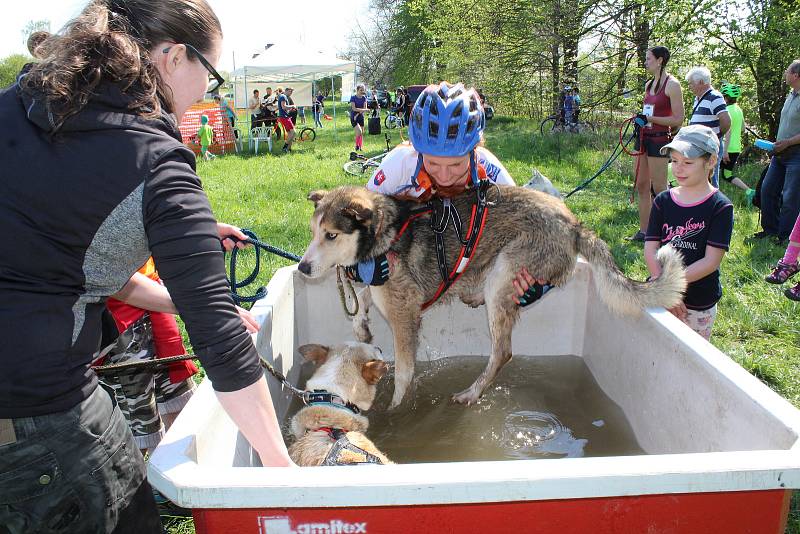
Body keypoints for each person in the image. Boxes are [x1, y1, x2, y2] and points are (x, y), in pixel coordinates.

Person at [0, 2, 293, 533]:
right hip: (37, 420)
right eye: (210, 71)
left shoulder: (17, 105)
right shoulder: (157, 161)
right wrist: (283, 472)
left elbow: (66, 259)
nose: (207, 90)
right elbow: (220, 343)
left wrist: (179, 256)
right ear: (173, 56)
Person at [349, 82, 550, 305]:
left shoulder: (488, 168)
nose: (444, 176)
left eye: (455, 165)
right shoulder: (399, 165)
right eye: (433, 164)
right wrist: (357, 265)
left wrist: (537, 279)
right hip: (413, 250)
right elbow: (354, 221)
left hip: (466, 251)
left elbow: (529, 228)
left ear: (475, 150)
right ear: (417, 150)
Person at [644, 125, 734, 340]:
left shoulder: (720, 207)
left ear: (711, 161)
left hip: (697, 302)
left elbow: (711, 261)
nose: (678, 169)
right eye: (674, 161)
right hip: (660, 292)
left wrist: (670, 285)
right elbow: (650, 248)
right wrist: (664, 287)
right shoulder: (663, 201)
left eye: (688, 163)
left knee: (689, 359)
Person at [100, 258, 198, 454]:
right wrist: (200, 307)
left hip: (153, 303)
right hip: (120, 323)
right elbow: (110, 274)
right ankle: (150, 481)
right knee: (140, 429)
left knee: (179, 406)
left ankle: (181, 469)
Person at [628, 46, 685, 242]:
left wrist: (652, 117)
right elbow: (648, 113)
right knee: (642, 185)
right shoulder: (648, 85)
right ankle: (645, 231)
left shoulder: (672, 85)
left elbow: (678, 119)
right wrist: (641, 119)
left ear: (660, 60)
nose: (645, 62)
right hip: (643, 138)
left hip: (659, 140)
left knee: (660, 188)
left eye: (648, 58)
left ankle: (670, 233)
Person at [755, 59, 800, 241]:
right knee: (767, 190)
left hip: (796, 154)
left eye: (788, 71)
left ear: (796, 75)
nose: (785, 74)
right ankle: (770, 230)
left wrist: (788, 142)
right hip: (780, 153)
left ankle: (786, 238)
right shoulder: (791, 95)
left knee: (790, 197)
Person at [686, 66, 731, 187]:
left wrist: (716, 137)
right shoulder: (698, 98)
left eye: (691, 83)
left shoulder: (714, 96)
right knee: (700, 178)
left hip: (709, 146)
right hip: (699, 146)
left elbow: (726, 121)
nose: (689, 87)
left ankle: (713, 204)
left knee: (710, 178)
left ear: (700, 82)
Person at [719, 83, 755, 202]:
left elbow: (727, 132)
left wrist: (724, 152)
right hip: (736, 148)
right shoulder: (738, 109)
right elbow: (743, 128)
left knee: (711, 173)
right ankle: (749, 191)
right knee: (727, 175)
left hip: (727, 148)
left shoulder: (725, 110)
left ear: (725, 97)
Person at [277, 86, 296, 153]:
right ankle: (285, 146)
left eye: (292, 91)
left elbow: (285, 109)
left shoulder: (283, 96)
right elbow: (283, 107)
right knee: (293, 132)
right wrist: (292, 106)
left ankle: (288, 149)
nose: (291, 93)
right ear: (287, 90)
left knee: (290, 133)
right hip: (284, 117)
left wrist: (291, 109)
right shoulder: (283, 96)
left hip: (284, 116)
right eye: (290, 91)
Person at [350, 83, 369, 152]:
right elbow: (354, 108)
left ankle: (360, 147)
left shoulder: (364, 98)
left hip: (360, 117)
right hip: (353, 117)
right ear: (357, 90)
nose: (362, 92)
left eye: (363, 90)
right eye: (361, 90)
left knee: (361, 133)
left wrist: (358, 114)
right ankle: (357, 146)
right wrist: (364, 110)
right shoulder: (353, 98)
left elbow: (365, 108)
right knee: (359, 131)